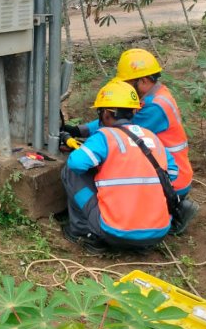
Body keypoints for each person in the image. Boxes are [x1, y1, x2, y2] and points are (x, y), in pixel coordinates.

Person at [62, 48, 198, 235]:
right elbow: (118, 117)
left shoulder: (156, 107)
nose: (125, 87)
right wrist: (79, 130)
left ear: (142, 81)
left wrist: (83, 144)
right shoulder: (153, 98)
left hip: (169, 181)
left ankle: (86, 229)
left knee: (99, 172)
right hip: (166, 170)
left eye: (127, 83)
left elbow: (118, 130)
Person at [61, 80, 176, 254]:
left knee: (70, 171)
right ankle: (141, 231)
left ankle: (82, 231)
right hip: (157, 232)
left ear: (106, 113)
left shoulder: (105, 136)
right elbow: (172, 173)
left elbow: (76, 163)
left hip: (116, 232)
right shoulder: (151, 137)